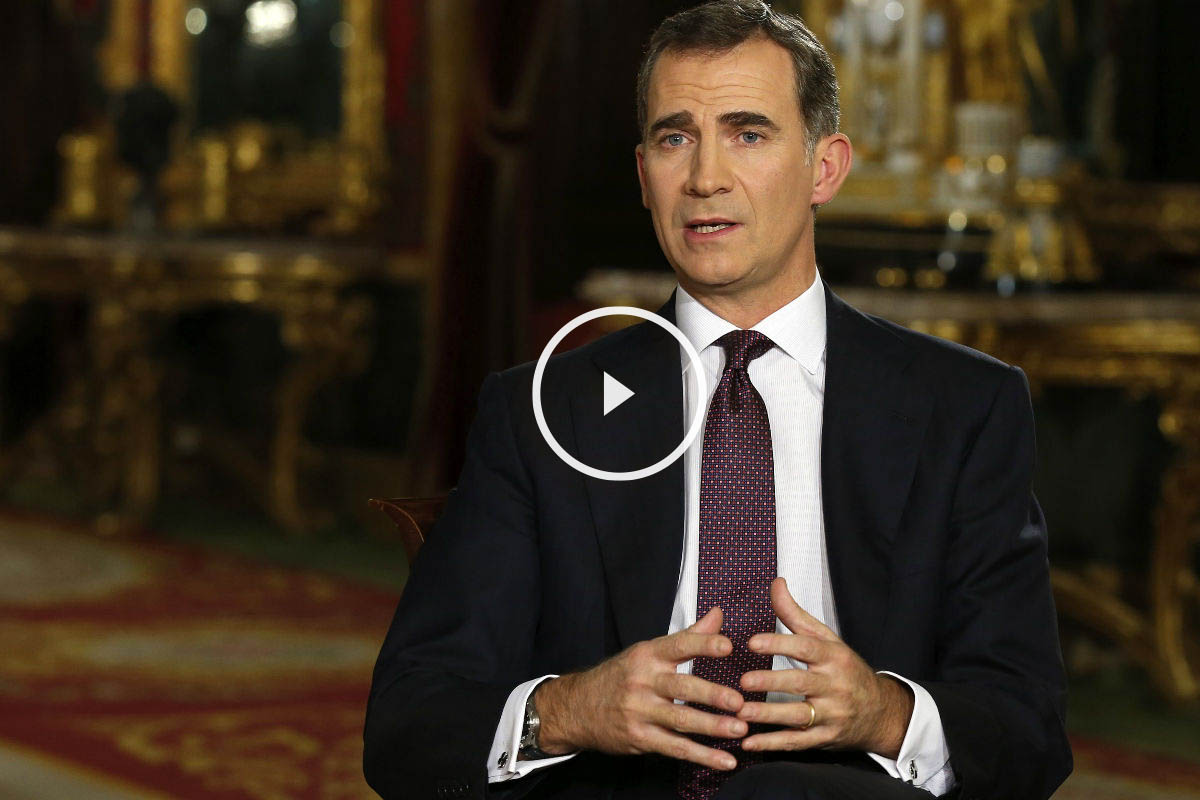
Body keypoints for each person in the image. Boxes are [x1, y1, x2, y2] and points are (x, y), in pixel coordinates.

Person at [364, 2, 1071, 798]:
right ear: (643, 175)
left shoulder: (964, 407)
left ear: (826, 167)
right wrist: (571, 709)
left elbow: (1028, 731)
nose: (705, 178)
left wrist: (882, 713)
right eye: (675, 138)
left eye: (749, 133)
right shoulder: (544, 411)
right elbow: (408, 724)